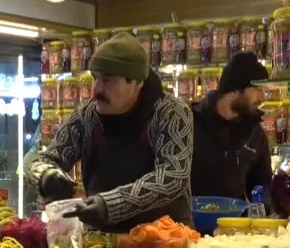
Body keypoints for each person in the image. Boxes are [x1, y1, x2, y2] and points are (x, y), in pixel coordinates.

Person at [29, 33, 194, 232]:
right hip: (102, 241)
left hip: (165, 240)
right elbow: (43, 159)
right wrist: (47, 176)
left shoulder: (171, 112)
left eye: (108, 80)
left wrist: (109, 204)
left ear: (137, 82)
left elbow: (172, 176)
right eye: (95, 78)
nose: (96, 89)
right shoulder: (87, 115)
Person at [190, 51, 272, 201]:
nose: (262, 97)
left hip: (236, 221)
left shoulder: (255, 133)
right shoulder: (190, 122)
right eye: (258, 89)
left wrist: (262, 204)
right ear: (235, 89)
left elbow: (262, 180)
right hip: (190, 222)